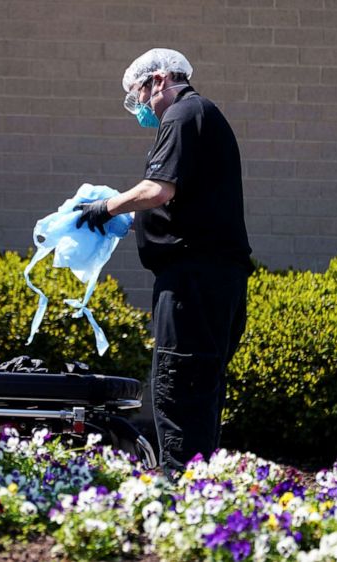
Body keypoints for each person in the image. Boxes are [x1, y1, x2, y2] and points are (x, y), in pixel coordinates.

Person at [74, 48, 253, 479]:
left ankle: (180, 492)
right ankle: (202, 486)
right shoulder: (202, 116)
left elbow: (158, 190)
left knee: (178, 387)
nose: (141, 109)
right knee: (201, 390)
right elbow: (183, 202)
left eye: (139, 96)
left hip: (192, 282)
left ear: (159, 79)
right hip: (216, 279)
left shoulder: (182, 114)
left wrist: (104, 209)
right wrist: (133, 221)